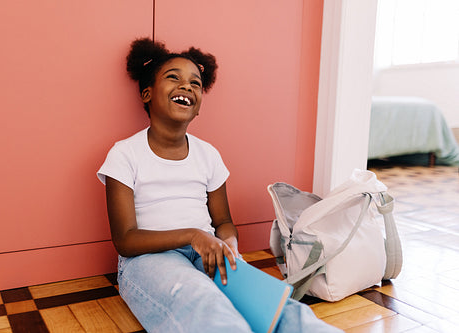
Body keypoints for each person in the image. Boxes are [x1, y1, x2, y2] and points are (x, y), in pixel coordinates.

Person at [97, 37, 341, 333]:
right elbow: (125, 240)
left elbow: (223, 221)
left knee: (278, 309)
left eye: (195, 83)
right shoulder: (124, 153)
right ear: (147, 94)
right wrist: (194, 235)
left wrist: (229, 245)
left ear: (198, 106)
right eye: (173, 77)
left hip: (208, 251)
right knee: (204, 301)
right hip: (147, 260)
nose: (186, 86)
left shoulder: (208, 154)